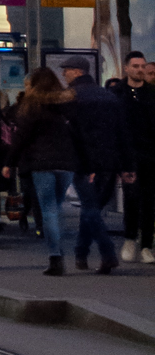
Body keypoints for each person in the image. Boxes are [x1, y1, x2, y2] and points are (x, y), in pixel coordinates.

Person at [6, 67, 86, 276]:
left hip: (41, 163)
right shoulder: (69, 103)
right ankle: (59, 250)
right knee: (57, 207)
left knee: (48, 209)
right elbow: (79, 134)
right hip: (66, 163)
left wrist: (9, 162)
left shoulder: (31, 105)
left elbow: (21, 137)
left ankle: (55, 257)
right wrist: (85, 162)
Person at [62, 55, 128, 274]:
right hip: (109, 160)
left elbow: (73, 134)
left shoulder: (72, 97)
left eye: (67, 70)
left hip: (84, 161)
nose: (64, 74)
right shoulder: (108, 96)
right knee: (92, 208)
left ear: (78, 71)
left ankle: (107, 253)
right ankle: (81, 253)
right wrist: (127, 164)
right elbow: (121, 132)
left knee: (90, 209)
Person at [109, 53, 155, 262]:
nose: (140, 69)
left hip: (150, 153)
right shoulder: (117, 93)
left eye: (142, 66)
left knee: (149, 201)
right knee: (132, 197)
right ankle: (130, 238)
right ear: (126, 68)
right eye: (135, 66)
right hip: (128, 153)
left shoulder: (151, 93)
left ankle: (146, 245)